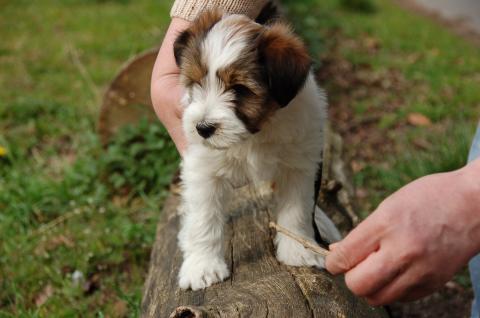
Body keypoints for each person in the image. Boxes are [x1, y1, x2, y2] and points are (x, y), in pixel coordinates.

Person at [151, 0, 480, 315]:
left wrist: (298, 233)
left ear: (285, 87)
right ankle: (202, 249)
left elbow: (299, 172)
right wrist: (201, 253)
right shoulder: (208, 110)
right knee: (206, 173)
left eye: (239, 90)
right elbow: (202, 176)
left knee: (297, 170)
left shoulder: (292, 89)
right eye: (196, 84)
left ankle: (296, 237)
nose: (204, 115)